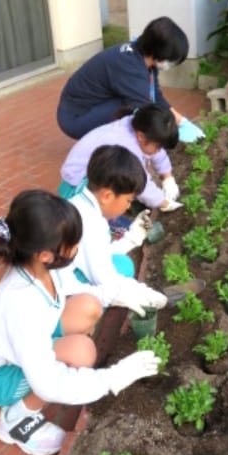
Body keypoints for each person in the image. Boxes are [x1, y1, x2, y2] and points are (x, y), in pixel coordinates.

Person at [0, 189, 161, 455]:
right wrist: (112, 378)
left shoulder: (42, 267)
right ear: (45, 253)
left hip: (21, 345)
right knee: (82, 353)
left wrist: (124, 295)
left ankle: (25, 407)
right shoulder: (21, 303)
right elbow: (48, 381)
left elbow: (82, 289)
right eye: (73, 244)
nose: (77, 249)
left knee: (87, 306)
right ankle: (16, 422)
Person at [56, 16, 205, 143]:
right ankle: (114, 148)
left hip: (88, 106)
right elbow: (148, 110)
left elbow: (155, 96)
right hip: (74, 117)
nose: (171, 65)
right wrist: (171, 136)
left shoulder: (142, 57)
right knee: (134, 111)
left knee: (138, 105)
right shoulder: (130, 67)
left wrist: (182, 122)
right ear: (159, 53)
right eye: (172, 60)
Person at [67, 144, 169, 309]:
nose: (128, 207)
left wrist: (132, 238)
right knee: (118, 276)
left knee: (122, 264)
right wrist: (144, 294)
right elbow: (105, 279)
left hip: (59, 279)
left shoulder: (80, 200)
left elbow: (99, 253)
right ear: (107, 196)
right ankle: (70, 326)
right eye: (128, 201)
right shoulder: (91, 224)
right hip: (53, 301)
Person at [58, 104, 182, 212]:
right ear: (141, 137)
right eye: (159, 147)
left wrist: (167, 177)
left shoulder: (140, 126)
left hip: (94, 171)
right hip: (77, 184)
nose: (160, 151)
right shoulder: (127, 146)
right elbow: (141, 183)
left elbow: (155, 151)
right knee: (89, 218)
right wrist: (163, 202)